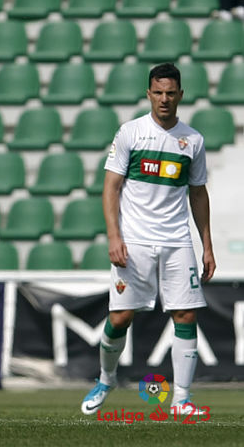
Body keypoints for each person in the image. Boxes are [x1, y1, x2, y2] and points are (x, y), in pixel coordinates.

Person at [81, 63, 216, 417]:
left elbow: (198, 195)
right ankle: (106, 379)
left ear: (180, 95)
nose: (164, 99)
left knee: (185, 315)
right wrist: (114, 236)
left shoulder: (193, 140)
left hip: (177, 241)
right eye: (158, 93)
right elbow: (110, 187)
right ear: (149, 94)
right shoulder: (131, 132)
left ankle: (181, 400)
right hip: (135, 241)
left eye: (171, 93)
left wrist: (207, 245)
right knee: (121, 317)